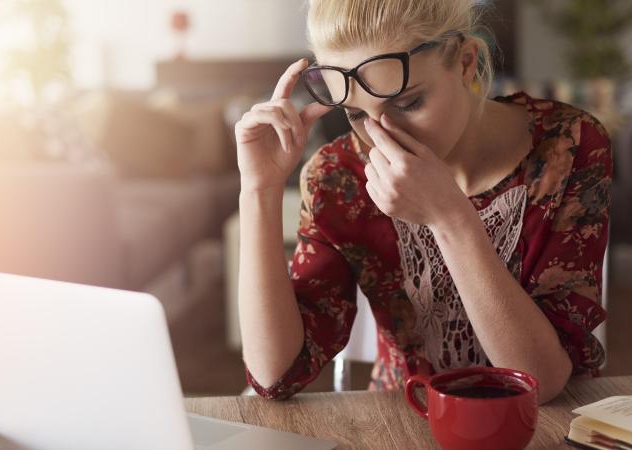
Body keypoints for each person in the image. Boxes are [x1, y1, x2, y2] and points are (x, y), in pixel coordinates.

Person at [234, 0, 611, 404]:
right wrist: (260, 189)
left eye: (407, 103)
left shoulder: (567, 146)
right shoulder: (340, 177)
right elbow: (276, 375)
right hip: (402, 420)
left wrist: (450, 218)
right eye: (356, 115)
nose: (384, 137)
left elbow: (543, 382)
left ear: (466, 62)